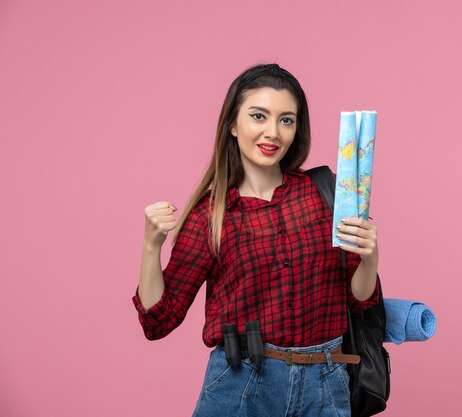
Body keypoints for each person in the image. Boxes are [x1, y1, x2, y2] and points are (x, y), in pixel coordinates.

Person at [132, 63, 380, 417]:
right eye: (259, 116)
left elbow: (359, 301)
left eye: (286, 120)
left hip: (326, 384)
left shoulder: (326, 194)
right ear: (233, 125)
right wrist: (150, 246)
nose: (273, 133)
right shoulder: (211, 215)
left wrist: (369, 258)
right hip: (242, 385)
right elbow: (159, 322)